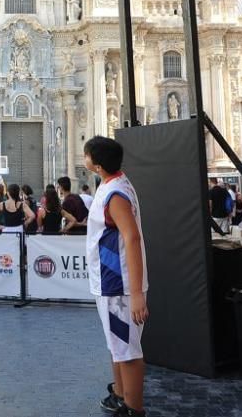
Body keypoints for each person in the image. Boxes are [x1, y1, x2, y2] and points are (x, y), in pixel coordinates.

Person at [84, 135, 149, 417]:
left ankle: (134, 409)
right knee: (117, 345)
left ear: (97, 164)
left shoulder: (116, 195)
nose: (83, 159)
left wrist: (136, 295)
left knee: (128, 350)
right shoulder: (112, 184)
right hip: (109, 281)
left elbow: (132, 239)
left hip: (118, 284)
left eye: (86, 155)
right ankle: (121, 393)